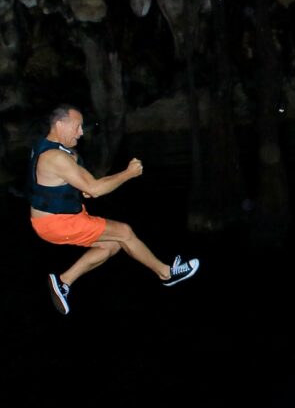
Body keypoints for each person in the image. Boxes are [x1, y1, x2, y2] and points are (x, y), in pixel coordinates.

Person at [28, 104, 199, 315]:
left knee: (112, 245)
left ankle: (63, 282)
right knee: (125, 232)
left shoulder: (48, 148)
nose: (81, 133)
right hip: (58, 223)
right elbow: (96, 189)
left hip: (54, 220)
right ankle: (166, 274)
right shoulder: (56, 157)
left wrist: (83, 188)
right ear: (60, 125)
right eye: (77, 127)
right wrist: (128, 173)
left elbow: (63, 183)